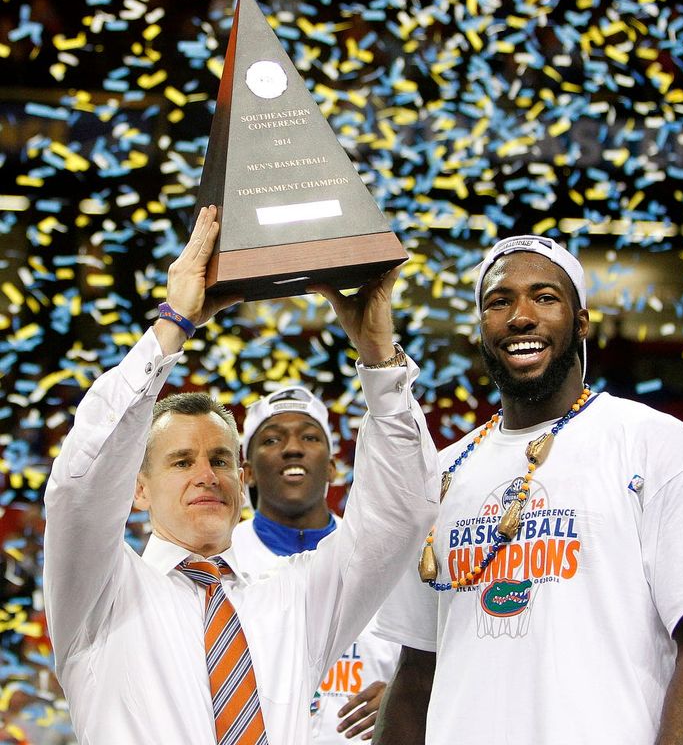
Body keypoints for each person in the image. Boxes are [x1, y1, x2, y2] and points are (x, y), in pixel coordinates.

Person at [42, 205, 438, 744]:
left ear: (242, 478)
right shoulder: (99, 594)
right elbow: (78, 490)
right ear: (138, 489)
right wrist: (170, 328)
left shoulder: (291, 601)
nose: (207, 475)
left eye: (221, 460)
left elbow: (401, 517)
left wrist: (381, 364)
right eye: (181, 461)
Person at [372, 234, 683, 745]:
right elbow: (417, 670)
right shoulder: (440, 473)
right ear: (480, 328)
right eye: (498, 301)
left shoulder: (653, 444)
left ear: (582, 323)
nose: (520, 316)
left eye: (545, 297)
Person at [231, 385, 400, 741]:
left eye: (309, 437)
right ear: (246, 473)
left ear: (332, 468)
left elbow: (428, 653)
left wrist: (404, 698)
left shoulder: (381, 556)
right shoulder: (219, 560)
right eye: (272, 440)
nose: (293, 448)